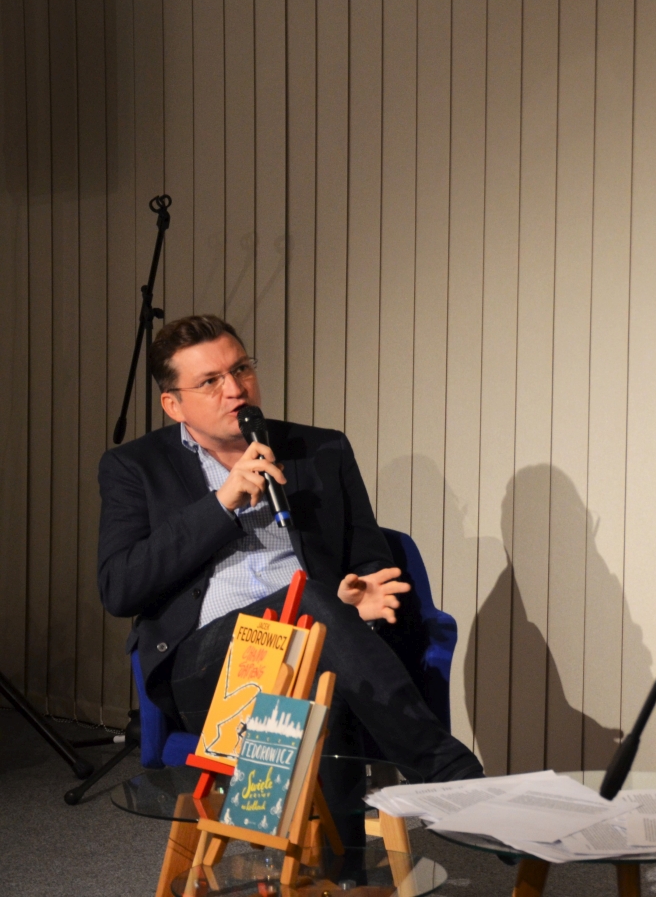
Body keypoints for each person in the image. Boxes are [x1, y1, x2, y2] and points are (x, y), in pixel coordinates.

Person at [97, 315, 483, 806]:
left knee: (323, 681)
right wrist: (221, 505)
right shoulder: (135, 466)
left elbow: (367, 556)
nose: (235, 389)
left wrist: (357, 594)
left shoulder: (320, 449)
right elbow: (119, 587)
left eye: (241, 369)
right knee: (313, 608)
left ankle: (338, 855)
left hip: (317, 646)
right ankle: (456, 779)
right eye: (210, 381)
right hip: (209, 666)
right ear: (173, 404)